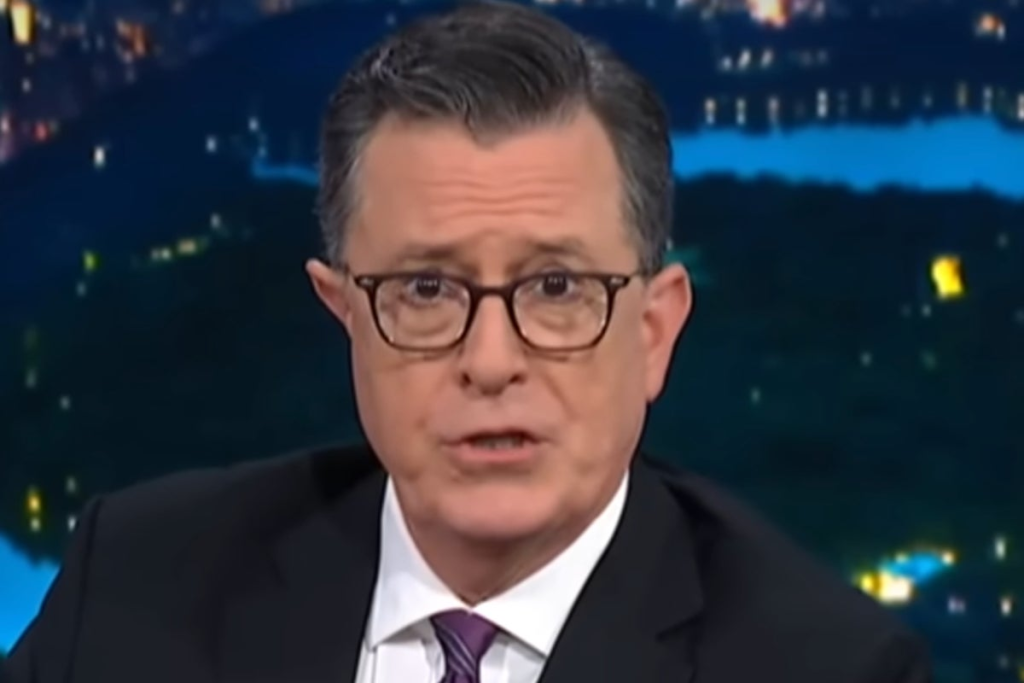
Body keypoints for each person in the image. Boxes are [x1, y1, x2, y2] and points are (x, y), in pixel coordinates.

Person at [6, 2, 932, 682]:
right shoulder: (132, 585)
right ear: (345, 314)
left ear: (654, 333)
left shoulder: (829, 667)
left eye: (557, 288)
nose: (491, 362)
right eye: (425, 289)